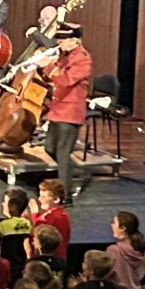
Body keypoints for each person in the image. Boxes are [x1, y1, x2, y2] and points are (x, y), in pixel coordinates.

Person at [41, 26, 91, 201]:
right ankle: (74, 171)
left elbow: (66, 80)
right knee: (49, 148)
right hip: (57, 109)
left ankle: (65, 195)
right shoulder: (64, 55)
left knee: (62, 154)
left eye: (63, 40)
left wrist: (48, 68)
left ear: (74, 40)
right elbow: (53, 75)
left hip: (70, 111)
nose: (59, 43)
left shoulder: (82, 59)